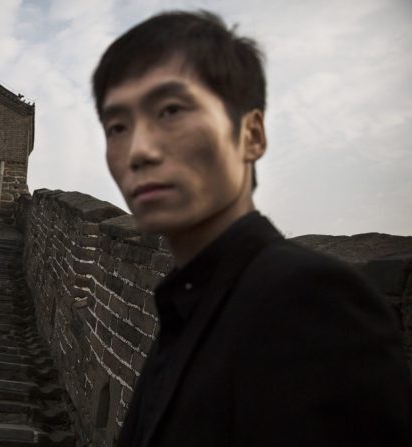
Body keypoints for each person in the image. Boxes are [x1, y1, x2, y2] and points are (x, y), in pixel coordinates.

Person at [92, 10, 412, 447]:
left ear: (251, 134)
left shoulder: (312, 303)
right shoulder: (186, 306)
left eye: (170, 111)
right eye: (117, 127)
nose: (138, 151)